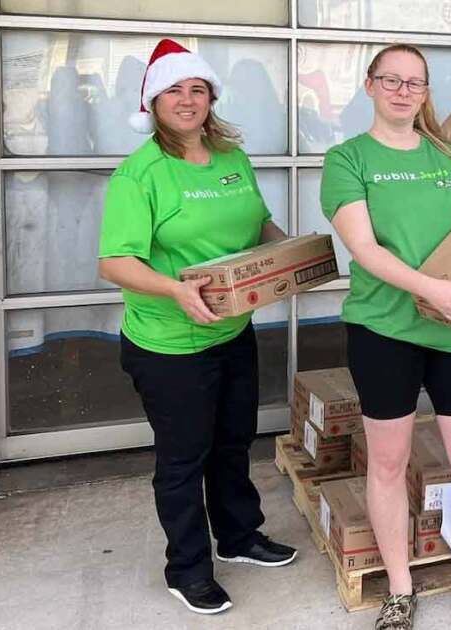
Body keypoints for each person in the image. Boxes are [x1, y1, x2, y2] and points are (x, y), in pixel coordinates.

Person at [320, 44, 451, 630]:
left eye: (415, 83)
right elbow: (364, 249)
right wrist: (431, 289)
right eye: (391, 80)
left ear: (426, 92)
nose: (403, 91)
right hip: (384, 330)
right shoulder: (347, 159)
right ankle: (399, 587)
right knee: (388, 463)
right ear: (369, 85)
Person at [98, 39, 295, 615]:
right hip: (168, 343)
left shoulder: (230, 157)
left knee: (233, 442)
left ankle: (238, 537)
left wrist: (288, 253)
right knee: (185, 457)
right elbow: (115, 262)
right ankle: (186, 568)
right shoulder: (141, 174)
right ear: (153, 102)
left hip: (232, 331)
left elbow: (257, 221)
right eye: (174, 91)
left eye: (197, 89)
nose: (187, 101)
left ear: (211, 97)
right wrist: (175, 290)